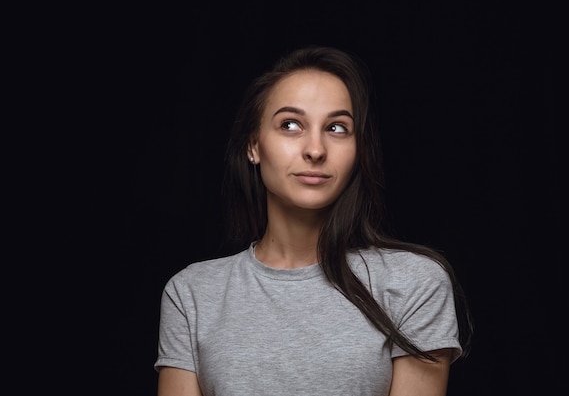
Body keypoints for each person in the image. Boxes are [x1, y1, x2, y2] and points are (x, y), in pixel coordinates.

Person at [154, 45, 473, 396]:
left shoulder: (412, 283)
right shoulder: (193, 294)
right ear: (254, 145)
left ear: (358, 149)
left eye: (337, 128)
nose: (316, 150)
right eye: (290, 125)